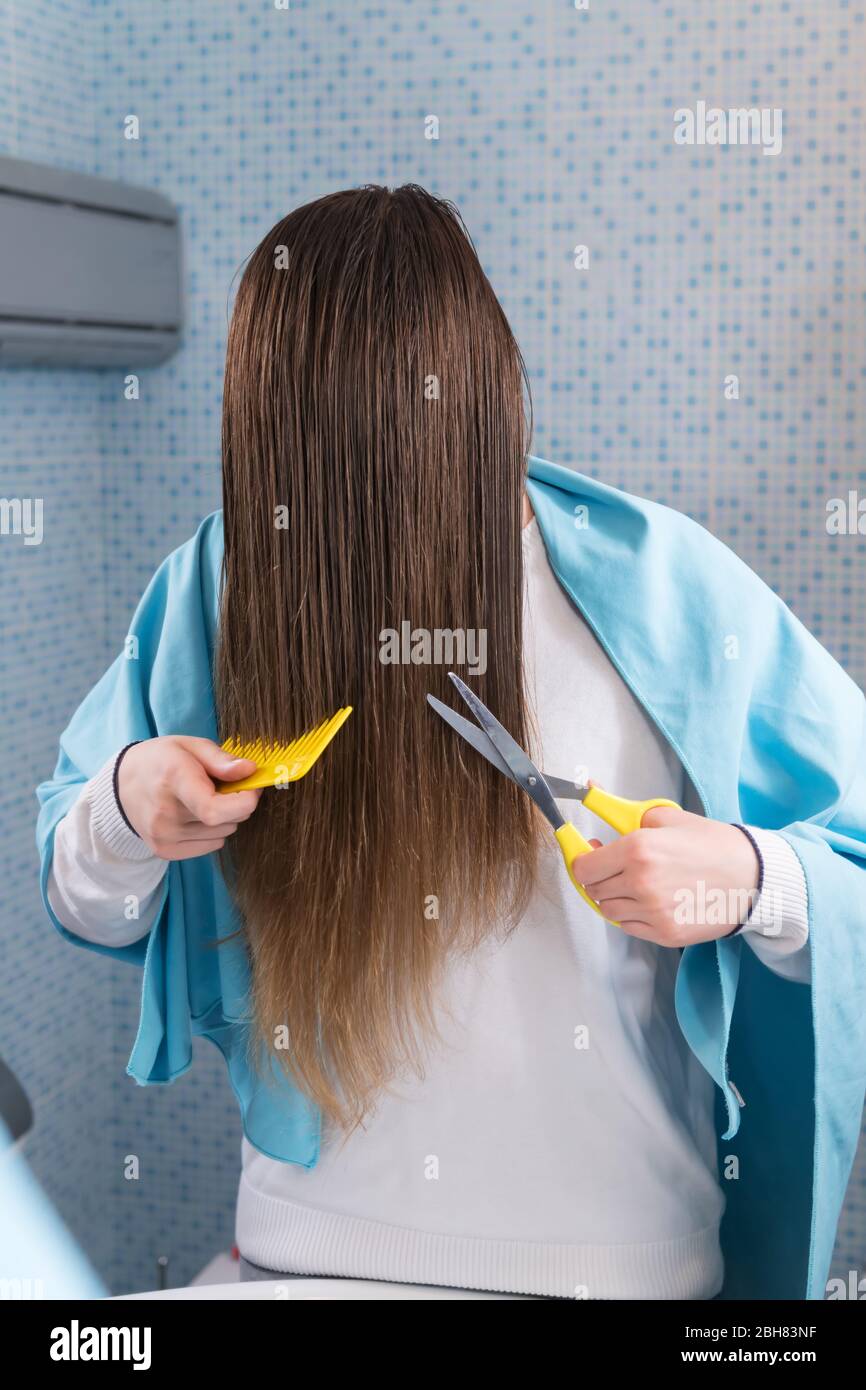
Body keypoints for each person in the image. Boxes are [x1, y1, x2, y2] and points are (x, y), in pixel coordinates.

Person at [36, 184, 866, 1300]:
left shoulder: (667, 591)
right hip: (300, 1261)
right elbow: (86, 899)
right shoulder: (219, 586)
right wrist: (130, 807)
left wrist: (755, 878)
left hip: (618, 1273)